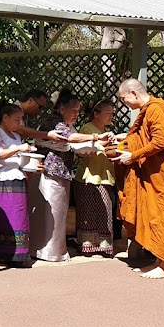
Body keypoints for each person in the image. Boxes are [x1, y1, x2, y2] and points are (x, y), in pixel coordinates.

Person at [113, 79, 164, 279]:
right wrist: (125, 139)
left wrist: (133, 155)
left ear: (134, 93)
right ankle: (159, 261)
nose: (125, 103)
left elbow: (160, 141)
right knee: (156, 215)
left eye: (124, 99)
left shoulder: (157, 109)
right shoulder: (148, 111)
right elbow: (144, 136)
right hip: (156, 172)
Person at [30, 91, 104, 263]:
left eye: (78, 110)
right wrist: (95, 137)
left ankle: (55, 250)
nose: (77, 114)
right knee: (49, 214)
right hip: (49, 174)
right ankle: (46, 251)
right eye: (74, 110)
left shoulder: (66, 124)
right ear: (62, 108)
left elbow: (73, 145)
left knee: (58, 214)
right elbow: (71, 138)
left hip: (62, 173)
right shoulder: (54, 122)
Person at [0, 103, 37, 266]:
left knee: (18, 217)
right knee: (3, 218)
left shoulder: (15, 135)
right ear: (5, 117)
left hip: (17, 178)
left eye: (21, 120)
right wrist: (19, 149)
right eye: (17, 119)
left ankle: (18, 254)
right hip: (1, 179)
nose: (19, 124)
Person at [74, 100, 118, 257]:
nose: (111, 116)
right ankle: (88, 246)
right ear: (96, 114)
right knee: (88, 211)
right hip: (89, 177)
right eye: (108, 113)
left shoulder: (106, 130)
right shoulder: (87, 129)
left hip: (104, 176)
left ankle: (103, 245)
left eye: (112, 113)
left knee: (105, 211)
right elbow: (86, 149)